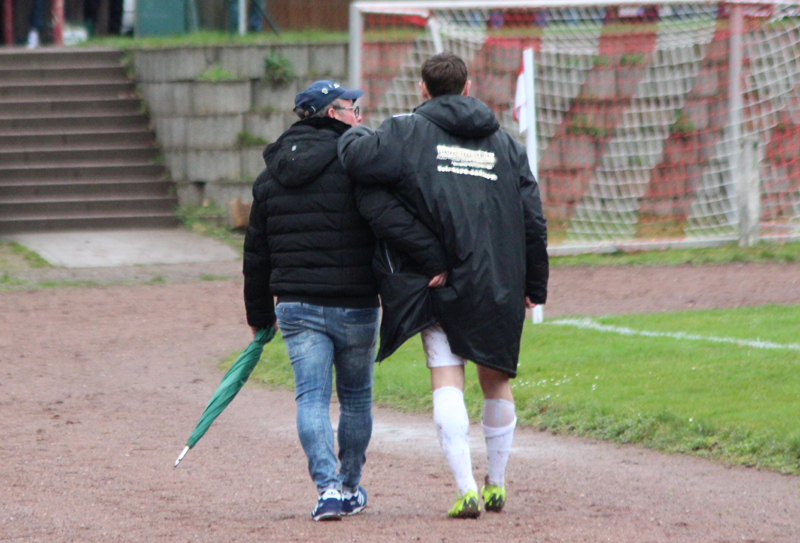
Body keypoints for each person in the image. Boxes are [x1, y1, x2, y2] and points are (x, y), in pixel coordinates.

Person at [339, 52, 549, 518]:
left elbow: (359, 162)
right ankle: (497, 484)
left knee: (446, 375)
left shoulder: (406, 130)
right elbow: (533, 219)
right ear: (468, 87)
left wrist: (352, 128)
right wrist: (536, 282)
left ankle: (466, 489)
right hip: (499, 278)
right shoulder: (507, 144)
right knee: (495, 378)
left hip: (440, 276)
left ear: (422, 89)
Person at [243, 80, 383, 521]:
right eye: (351, 108)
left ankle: (327, 491)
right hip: (358, 302)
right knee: (357, 398)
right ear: (329, 114)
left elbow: (256, 255)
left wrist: (258, 315)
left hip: (297, 305)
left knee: (311, 398)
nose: (359, 115)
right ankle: (348, 485)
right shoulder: (358, 164)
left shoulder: (271, 175)